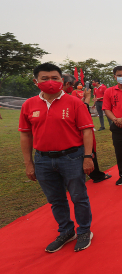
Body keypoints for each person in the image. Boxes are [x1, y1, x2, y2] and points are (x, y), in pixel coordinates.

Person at [19, 63, 94, 252]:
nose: (50, 82)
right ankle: (66, 231)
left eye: (55, 78)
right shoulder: (29, 104)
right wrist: (29, 163)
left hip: (72, 157)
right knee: (55, 199)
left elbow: (86, 131)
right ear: (36, 81)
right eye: (45, 78)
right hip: (43, 160)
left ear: (62, 80)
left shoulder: (75, 102)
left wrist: (87, 157)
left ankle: (84, 231)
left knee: (79, 196)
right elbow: (26, 135)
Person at [63, 75, 112, 184]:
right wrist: (88, 99)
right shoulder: (69, 98)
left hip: (70, 132)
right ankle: (95, 174)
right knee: (89, 149)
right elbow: (82, 108)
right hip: (79, 129)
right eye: (74, 84)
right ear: (68, 84)